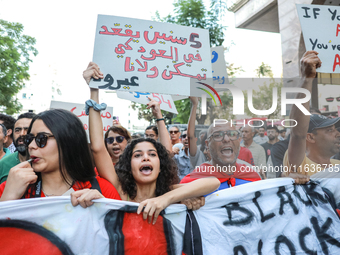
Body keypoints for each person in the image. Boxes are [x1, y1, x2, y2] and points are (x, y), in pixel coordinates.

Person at [78, 62, 220, 222]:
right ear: (128, 165)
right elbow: (97, 147)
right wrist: (94, 90)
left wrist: (167, 199)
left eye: (152, 154)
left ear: (161, 166)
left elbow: (213, 182)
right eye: (137, 155)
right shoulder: (120, 190)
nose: (145, 158)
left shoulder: (167, 191)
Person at [0, 109, 120, 201]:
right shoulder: (11, 186)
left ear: (68, 141)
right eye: (29, 138)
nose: (31, 145)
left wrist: (103, 210)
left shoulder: (102, 190)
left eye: (41, 139)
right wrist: (8, 199)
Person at [284, 51, 340, 181]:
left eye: (335, 129)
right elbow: (297, 134)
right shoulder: (300, 165)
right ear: (310, 137)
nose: (338, 133)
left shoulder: (338, 166)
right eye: (330, 130)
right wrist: (307, 79)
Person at [181, 120, 262, 191]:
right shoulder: (193, 182)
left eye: (232, 134)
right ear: (207, 144)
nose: (226, 139)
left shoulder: (253, 176)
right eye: (218, 135)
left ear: (239, 140)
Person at [0, 112, 36, 183]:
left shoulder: (44, 164)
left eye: (27, 130)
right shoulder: (3, 164)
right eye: (17, 130)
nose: (22, 134)